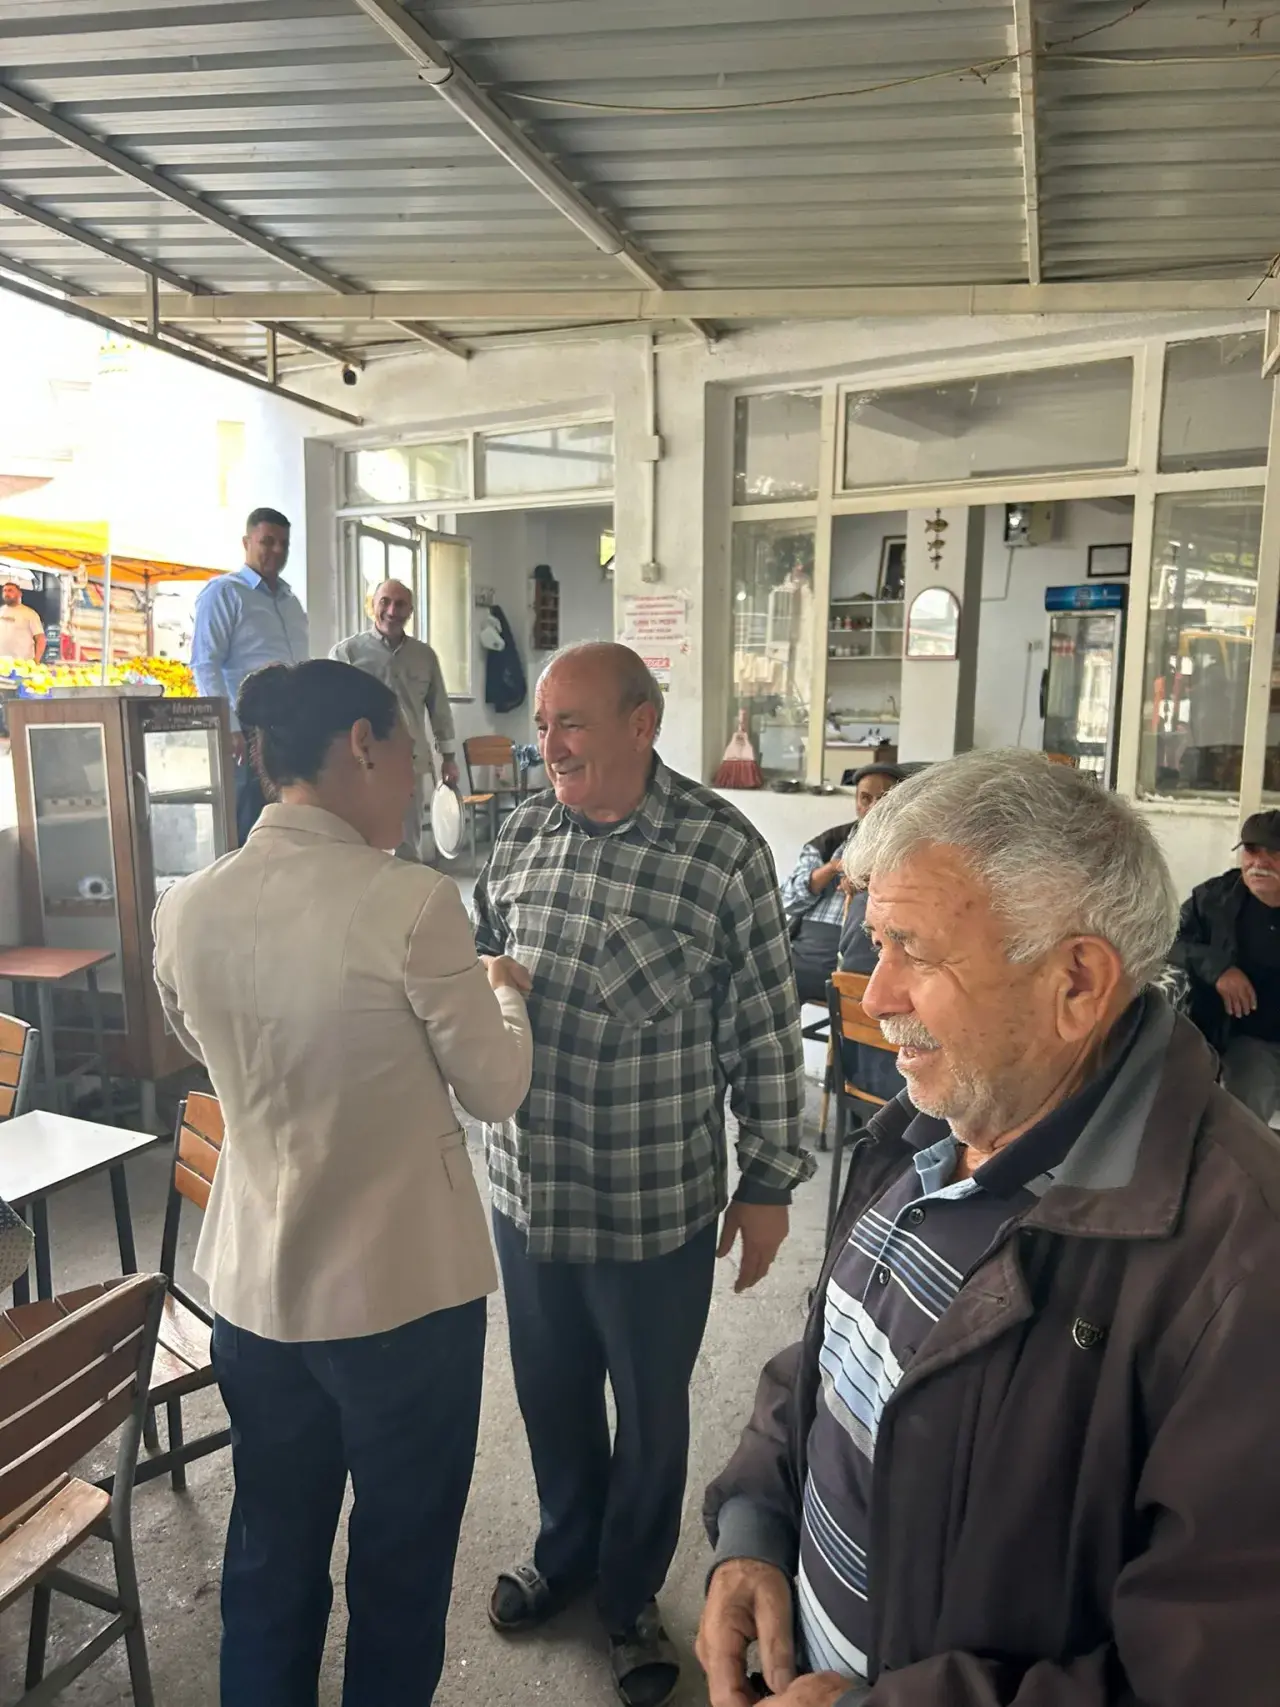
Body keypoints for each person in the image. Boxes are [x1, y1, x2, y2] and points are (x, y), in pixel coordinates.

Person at [698, 749, 1280, 1707]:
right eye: (874, 940)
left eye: (914, 951)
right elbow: (835, 1360)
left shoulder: (1241, 1268)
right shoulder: (928, 1126)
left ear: (1077, 982)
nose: (874, 996)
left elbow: (1205, 1678)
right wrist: (753, 1530)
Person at [152, 658, 533, 1707]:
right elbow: (494, 1087)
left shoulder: (187, 905)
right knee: (401, 1566)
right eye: (408, 752)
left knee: (270, 1552)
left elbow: (200, 1044)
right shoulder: (410, 902)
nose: (416, 778)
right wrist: (505, 993)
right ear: (362, 745)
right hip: (402, 1299)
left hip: (254, 1295)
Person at [472, 641, 813, 1707]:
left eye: (571, 722)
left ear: (641, 724)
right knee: (549, 1390)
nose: (550, 744)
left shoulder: (721, 851)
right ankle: (564, 1550)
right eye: (542, 725)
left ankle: (627, 1597)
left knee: (650, 1411)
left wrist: (768, 1183)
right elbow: (480, 962)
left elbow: (766, 1031)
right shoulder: (520, 831)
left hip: (651, 1200)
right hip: (527, 1189)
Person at [190, 507, 308, 843]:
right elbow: (204, 663)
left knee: (281, 821)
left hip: (288, 726)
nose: (277, 550)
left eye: (283, 543)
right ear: (246, 542)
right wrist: (227, 725)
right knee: (246, 822)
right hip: (246, 729)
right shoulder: (224, 593)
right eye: (267, 541)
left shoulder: (290, 600)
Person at [331, 578, 460, 860]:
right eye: (385, 602)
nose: (392, 611)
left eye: (400, 604)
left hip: (411, 763)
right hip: (362, 764)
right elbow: (332, 711)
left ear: (410, 611)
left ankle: (407, 887)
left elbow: (439, 709)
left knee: (406, 841)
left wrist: (449, 758)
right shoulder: (346, 654)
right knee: (361, 842)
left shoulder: (425, 656)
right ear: (372, 606)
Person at [1170, 810, 1280, 1122]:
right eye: (1252, 851)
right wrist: (1217, 968)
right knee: (1243, 1119)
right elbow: (1164, 940)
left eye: (1274, 852)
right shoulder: (1213, 899)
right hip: (1251, 1040)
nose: (1259, 863)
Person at [782, 765, 904, 1005]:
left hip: (864, 958)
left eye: (883, 799)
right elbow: (788, 902)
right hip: (804, 955)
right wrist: (831, 868)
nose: (874, 807)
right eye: (865, 798)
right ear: (856, 801)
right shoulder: (829, 843)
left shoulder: (907, 849)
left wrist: (866, 887)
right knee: (759, 980)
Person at [0, 579, 46, 661]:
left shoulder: (30, 614)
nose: (6, 593)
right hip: (2, 661)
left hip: (22, 662)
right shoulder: (1, 611)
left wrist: (36, 660)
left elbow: (40, 639)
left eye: (10, 591)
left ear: (20, 594)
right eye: (4, 590)